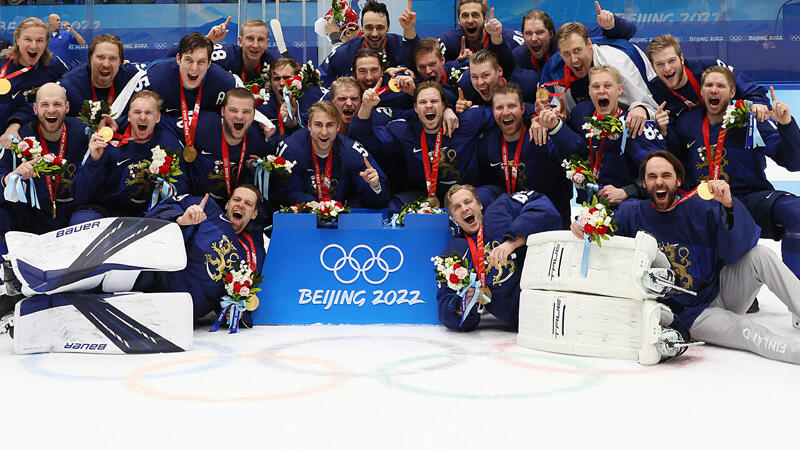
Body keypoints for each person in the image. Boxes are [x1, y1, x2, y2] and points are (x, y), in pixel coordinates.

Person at [582, 150, 800, 363]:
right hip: (693, 315)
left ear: (678, 181)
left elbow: (739, 250)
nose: (659, 182)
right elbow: (606, 244)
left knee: (760, 255)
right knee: (746, 329)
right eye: (652, 177)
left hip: (721, 291)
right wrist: (585, 227)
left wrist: (730, 205)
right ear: (644, 184)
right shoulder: (631, 212)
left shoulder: (701, 206)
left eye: (666, 175)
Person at [670, 66, 800, 283]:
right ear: (701, 92)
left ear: (732, 93)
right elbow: (672, 166)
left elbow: (794, 162)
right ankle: (732, 283)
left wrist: (786, 124)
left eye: (720, 86)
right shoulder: (686, 123)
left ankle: (797, 292)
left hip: (749, 199)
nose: (714, 90)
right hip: (705, 202)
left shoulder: (750, 120)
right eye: (708, 85)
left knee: (796, 211)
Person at [351, 81, 497, 208]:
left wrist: (462, 106)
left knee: (486, 198)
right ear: (415, 108)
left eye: (434, 101)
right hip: (423, 197)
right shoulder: (404, 131)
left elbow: (504, 113)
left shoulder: (467, 121)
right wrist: (366, 106)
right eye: (422, 102)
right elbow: (364, 139)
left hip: (467, 192)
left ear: (444, 105)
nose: (428, 106)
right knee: (392, 208)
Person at [436, 184, 562, 331]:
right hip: (525, 324)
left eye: (468, 202)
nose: (464, 209)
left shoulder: (500, 209)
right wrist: (462, 304)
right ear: (453, 218)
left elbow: (545, 209)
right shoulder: (452, 255)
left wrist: (513, 241)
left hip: (553, 300)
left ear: (480, 204)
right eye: (457, 207)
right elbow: (444, 309)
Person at [539, 65, 664, 205]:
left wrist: (627, 192)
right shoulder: (580, 113)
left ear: (619, 90)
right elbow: (576, 149)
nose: (601, 91)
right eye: (596, 86)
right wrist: (556, 125)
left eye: (607, 86)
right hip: (585, 206)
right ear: (589, 91)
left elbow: (661, 174)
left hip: (625, 208)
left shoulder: (635, 125)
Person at [143, 185, 265, 324]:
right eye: (236, 199)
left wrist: (235, 311)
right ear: (227, 204)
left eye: (248, 204)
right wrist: (181, 220)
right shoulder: (207, 209)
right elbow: (157, 213)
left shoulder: (253, 252)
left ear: (254, 214)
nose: (241, 205)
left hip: (183, 315)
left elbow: (240, 298)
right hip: (153, 284)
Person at [70, 90, 188, 221]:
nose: (142, 117)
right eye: (137, 112)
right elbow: (80, 195)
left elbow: (183, 184)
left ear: (158, 117)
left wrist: (168, 189)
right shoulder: (107, 142)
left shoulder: (169, 143)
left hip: (151, 214)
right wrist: (94, 161)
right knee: (81, 218)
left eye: (148, 113)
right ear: (129, 116)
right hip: (109, 212)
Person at [0, 83, 89, 251]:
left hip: (73, 216)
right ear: (35, 109)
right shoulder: (20, 139)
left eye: (57, 104)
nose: (51, 110)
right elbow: (2, 176)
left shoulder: (83, 132)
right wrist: (10, 178)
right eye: (45, 105)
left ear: (67, 107)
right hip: (31, 219)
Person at [539, 22, 658, 136]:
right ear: (560, 53)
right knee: (582, 112)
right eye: (566, 53)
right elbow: (557, 114)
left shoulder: (619, 62)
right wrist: (555, 117)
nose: (573, 59)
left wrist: (642, 109)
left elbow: (652, 106)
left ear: (589, 44)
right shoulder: (554, 71)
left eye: (577, 50)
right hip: (587, 119)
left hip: (631, 108)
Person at [477, 82, 571, 226]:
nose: (506, 112)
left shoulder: (541, 135)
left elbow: (573, 156)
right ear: (493, 111)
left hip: (551, 218)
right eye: (499, 107)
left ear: (522, 109)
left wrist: (556, 124)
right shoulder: (488, 143)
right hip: (514, 218)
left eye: (511, 106)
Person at [276, 100, 389, 209]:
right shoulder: (292, 148)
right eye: (318, 125)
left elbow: (380, 201)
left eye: (329, 125)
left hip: (343, 221)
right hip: (303, 221)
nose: (324, 132)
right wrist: (307, 203)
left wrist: (375, 186)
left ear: (338, 127)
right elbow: (286, 194)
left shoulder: (352, 150)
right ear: (309, 126)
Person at [646, 34, 770, 121]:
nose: (667, 69)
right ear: (653, 67)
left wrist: (758, 104)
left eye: (672, 61)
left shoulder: (711, 67)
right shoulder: (654, 90)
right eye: (660, 64)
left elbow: (754, 91)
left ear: (682, 59)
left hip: (727, 131)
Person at [183, 87, 272, 206]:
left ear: (254, 115)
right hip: (194, 205)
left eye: (246, 112)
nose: (240, 116)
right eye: (233, 110)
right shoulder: (200, 126)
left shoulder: (259, 139)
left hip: (233, 207)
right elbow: (165, 125)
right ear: (222, 111)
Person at [0, 18, 69, 149]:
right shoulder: (2, 64)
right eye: (28, 39)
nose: (33, 46)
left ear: (46, 42)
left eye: (39, 40)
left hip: (20, 139)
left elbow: (76, 74)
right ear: (17, 40)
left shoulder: (53, 65)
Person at [512, 5, 636, 73]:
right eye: (528, 33)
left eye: (539, 32)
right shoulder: (518, 56)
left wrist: (611, 25)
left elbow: (629, 32)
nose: (534, 38)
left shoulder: (569, 41)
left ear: (550, 34)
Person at [318, 1, 417, 86]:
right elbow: (320, 79)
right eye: (369, 27)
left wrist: (409, 31)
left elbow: (420, 71)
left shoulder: (401, 45)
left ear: (388, 27)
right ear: (362, 27)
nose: (374, 34)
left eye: (380, 27)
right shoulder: (345, 52)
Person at [169, 17, 281, 84]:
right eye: (250, 39)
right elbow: (173, 54)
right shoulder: (225, 54)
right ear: (240, 41)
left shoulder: (274, 61)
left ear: (266, 44)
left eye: (260, 40)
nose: (255, 45)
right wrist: (208, 40)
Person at [58, 34, 141, 116]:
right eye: (100, 57)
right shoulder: (70, 86)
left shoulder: (132, 77)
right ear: (90, 58)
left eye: (113, 58)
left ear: (120, 62)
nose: (106, 64)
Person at [437, 0, 523, 63]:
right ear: (459, 20)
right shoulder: (447, 41)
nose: (470, 20)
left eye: (475, 15)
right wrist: (457, 65)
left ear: (485, 18)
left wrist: (497, 40)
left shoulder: (510, 38)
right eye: (465, 16)